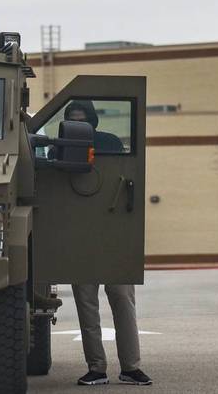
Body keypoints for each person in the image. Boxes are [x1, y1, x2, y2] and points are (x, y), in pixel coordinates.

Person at [63, 101, 151, 386]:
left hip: (113, 235)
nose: (79, 126)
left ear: (93, 121)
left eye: (83, 120)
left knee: (122, 299)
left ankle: (131, 367)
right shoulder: (60, 150)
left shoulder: (110, 143)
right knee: (86, 304)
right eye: (73, 121)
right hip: (80, 237)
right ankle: (97, 368)